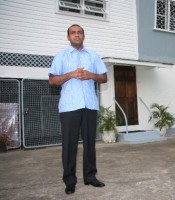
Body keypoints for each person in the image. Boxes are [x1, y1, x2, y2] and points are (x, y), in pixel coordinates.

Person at [49, 24, 108, 194]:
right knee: (69, 145)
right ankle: (69, 181)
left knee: (90, 143)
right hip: (69, 106)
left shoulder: (93, 56)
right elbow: (52, 81)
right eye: (73, 33)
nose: (76, 35)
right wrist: (71, 75)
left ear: (84, 36)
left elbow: (104, 77)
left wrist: (91, 75)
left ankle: (90, 177)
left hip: (89, 105)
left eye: (79, 32)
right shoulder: (61, 56)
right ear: (68, 37)